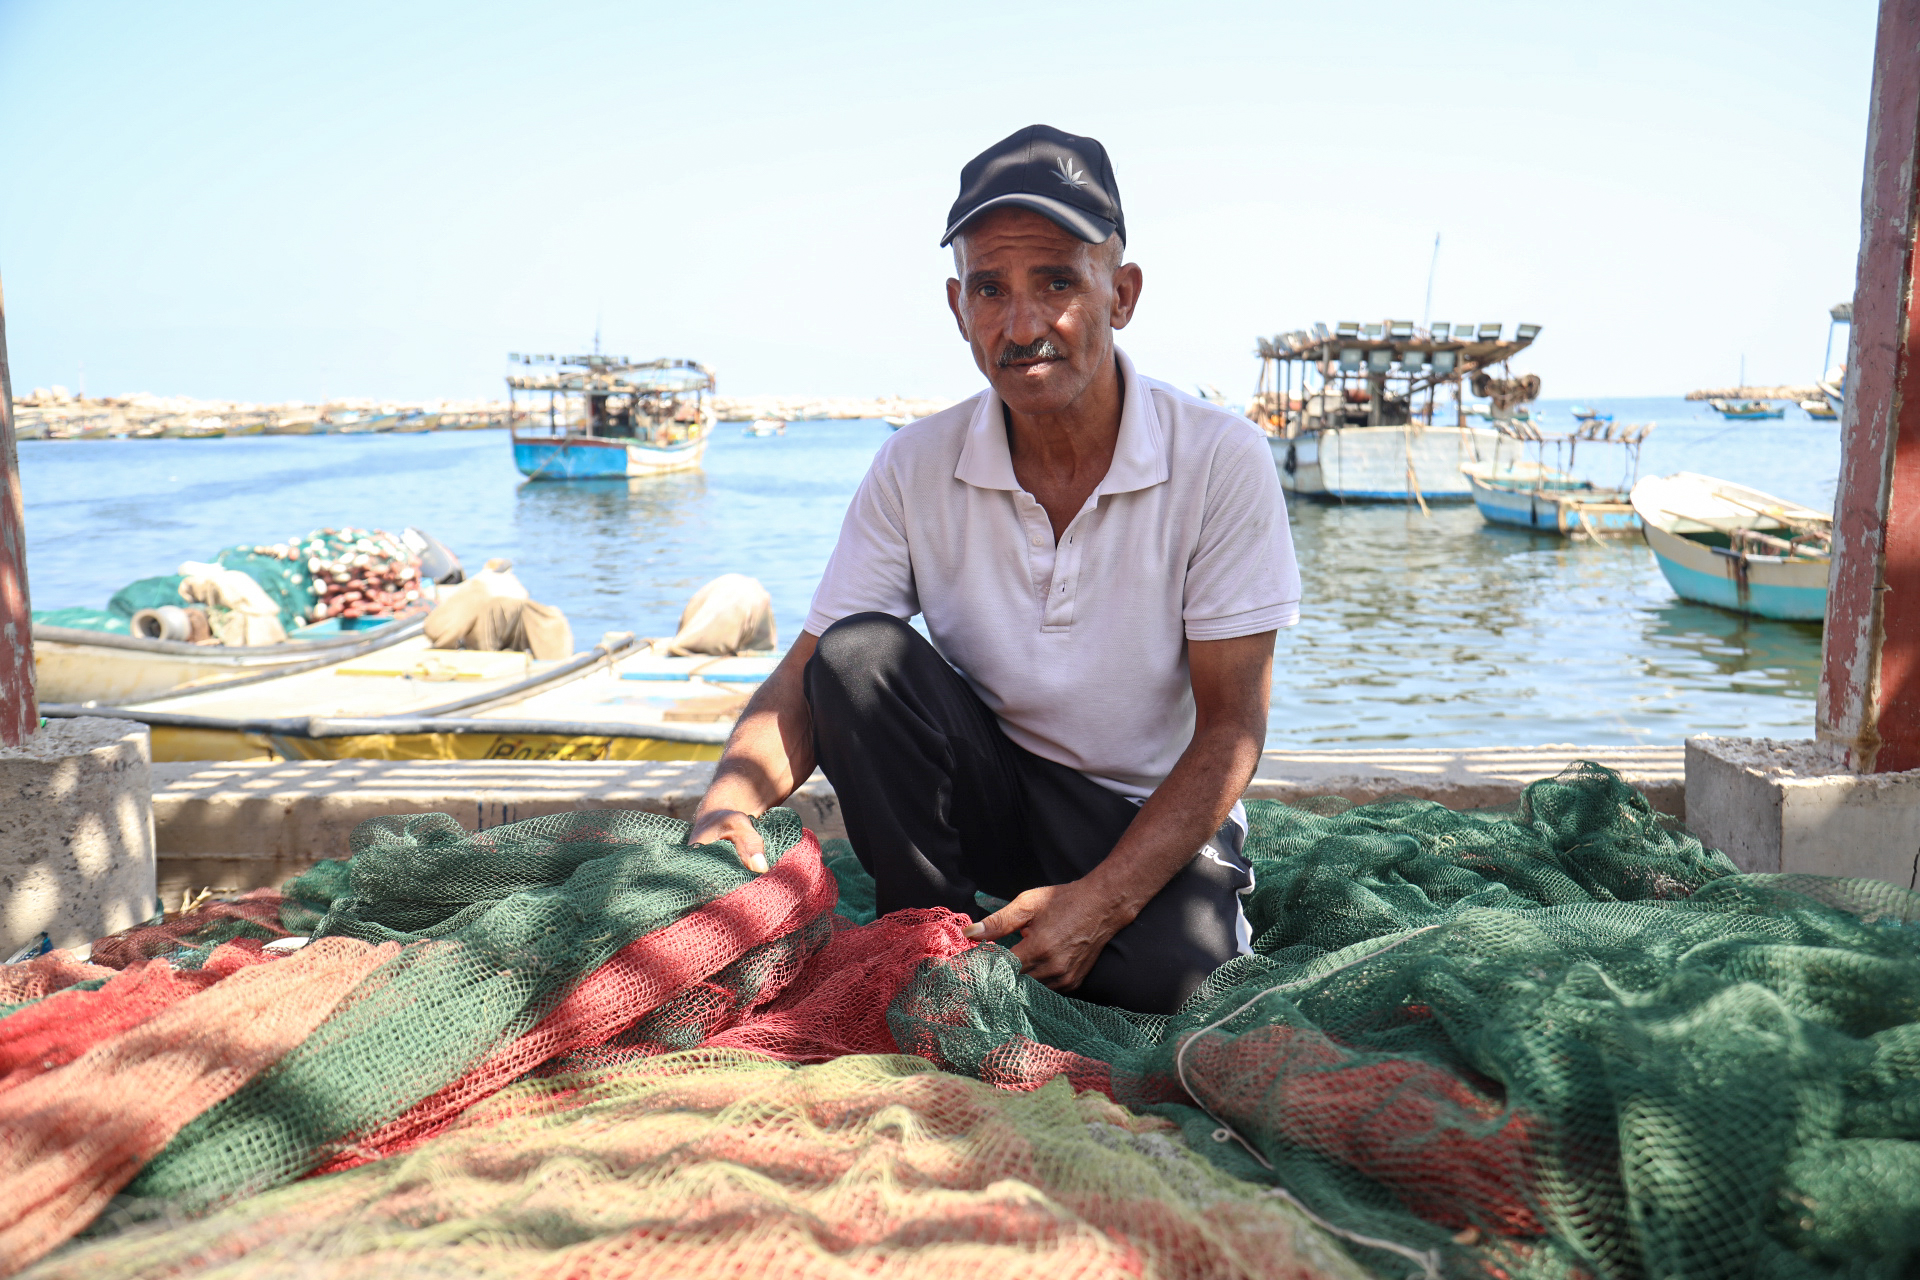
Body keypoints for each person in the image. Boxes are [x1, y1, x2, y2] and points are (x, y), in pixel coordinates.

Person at [689, 124, 1300, 1014]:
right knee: (858, 659)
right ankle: (922, 935)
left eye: (1058, 281)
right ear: (956, 306)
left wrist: (1101, 902)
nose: (1022, 324)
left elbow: (1230, 732)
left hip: (1135, 812)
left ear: (1121, 294)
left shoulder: (1220, 460)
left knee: (1173, 987)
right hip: (988, 791)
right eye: (990, 288)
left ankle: (1050, 930)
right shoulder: (914, 463)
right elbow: (809, 670)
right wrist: (725, 802)